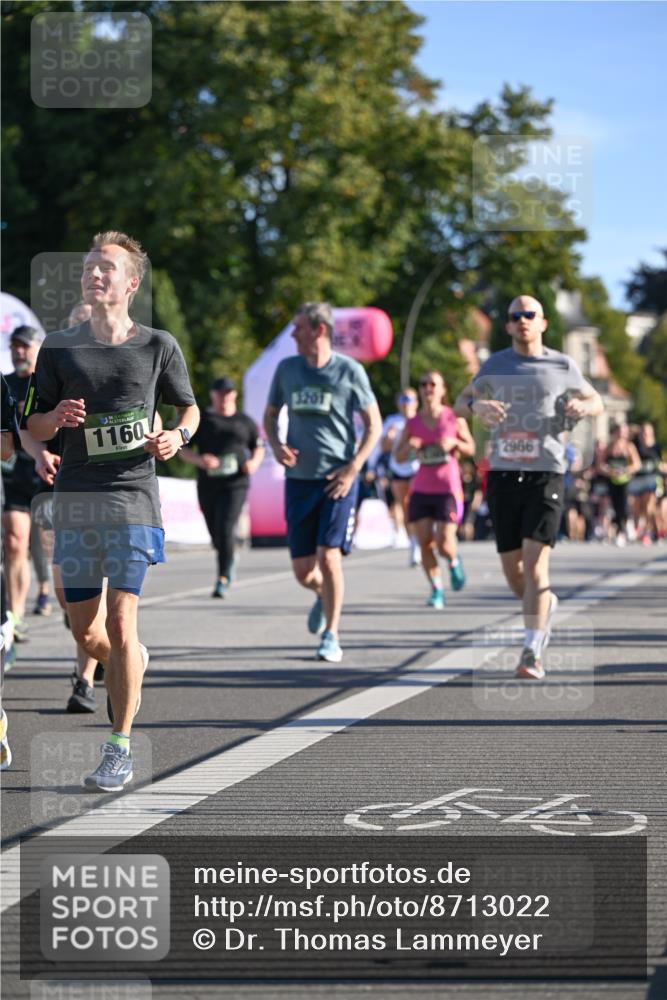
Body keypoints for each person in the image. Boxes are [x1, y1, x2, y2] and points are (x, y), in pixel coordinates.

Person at [25, 230, 199, 790]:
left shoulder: (157, 346)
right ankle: (131, 659)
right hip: (76, 499)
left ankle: (118, 747)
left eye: (106, 267)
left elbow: (188, 409)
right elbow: (35, 426)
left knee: (122, 620)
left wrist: (176, 438)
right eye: (89, 267)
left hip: (133, 497)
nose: (94, 274)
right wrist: (57, 419)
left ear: (131, 282)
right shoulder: (59, 347)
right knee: (87, 635)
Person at [455, 294, 603, 680]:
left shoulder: (562, 364)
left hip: (546, 473)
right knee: (513, 571)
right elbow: (460, 401)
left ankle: (531, 650)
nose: (522, 320)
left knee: (537, 564)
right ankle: (543, 606)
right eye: (515, 315)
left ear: (543, 323)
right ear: (507, 326)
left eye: (529, 314)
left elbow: (597, 400)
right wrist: (478, 408)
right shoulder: (496, 364)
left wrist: (584, 408)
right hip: (503, 473)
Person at [263, 301, 381, 663]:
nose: (293, 334)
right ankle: (319, 594)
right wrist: (277, 445)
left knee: (329, 557)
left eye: (299, 328)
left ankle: (331, 634)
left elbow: (373, 425)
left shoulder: (349, 372)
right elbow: (270, 417)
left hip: (337, 480)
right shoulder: (287, 369)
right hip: (299, 480)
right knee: (303, 571)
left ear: (320, 330)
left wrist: (353, 468)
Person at [395, 370, 474, 608]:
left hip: (448, 489)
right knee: (425, 542)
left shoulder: (454, 418)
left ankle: (453, 561)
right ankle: (437, 589)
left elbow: (471, 448)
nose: (428, 388)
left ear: (442, 390)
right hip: (421, 489)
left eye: (433, 384)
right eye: (423, 384)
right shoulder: (413, 423)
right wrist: (409, 445)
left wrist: (455, 443)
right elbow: (397, 457)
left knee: (444, 543)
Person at [180, 376, 264, 597]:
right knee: (216, 533)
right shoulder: (204, 420)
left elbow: (259, 446)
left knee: (227, 528)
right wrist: (200, 460)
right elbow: (181, 448)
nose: (225, 397)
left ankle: (223, 577)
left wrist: (254, 463)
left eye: (229, 393)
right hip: (208, 482)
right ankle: (229, 556)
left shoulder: (245, 421)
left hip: (236, 483)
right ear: (213, 395)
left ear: (234, 395)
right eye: (220, 393)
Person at [2, 326, 55, 640]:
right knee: (14, 541)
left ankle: (49, 589)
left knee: (44, 545)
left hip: (46, 470)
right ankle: (15, 615)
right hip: (12, 472)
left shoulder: (49, 384)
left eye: (24, 346)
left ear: (37, 349)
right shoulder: (4, 384)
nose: (19, 352)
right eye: (14, 347)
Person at [380, 388, 421, 563]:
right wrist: (389, 438)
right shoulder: (392, 421)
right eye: (403, 400)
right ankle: (413, 543)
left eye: (410, 399)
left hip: (417, 469)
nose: (406, 404)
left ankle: (423, 538)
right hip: (398, 469)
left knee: (418, 505)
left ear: (416, 402)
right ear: (398, 403)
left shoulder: (420, 420)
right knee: (404, 506)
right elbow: (383, 448)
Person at [597, 424, 640, 546]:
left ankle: (625, 527)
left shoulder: (629, 447)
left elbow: (637, 464)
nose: (621, 434)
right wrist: (610, 471)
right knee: (615, 506)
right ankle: (620, 531)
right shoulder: (609, 447)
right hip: (612, 481)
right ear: (615, 433)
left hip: (625, 481)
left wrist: (626, 470)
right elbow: (599, 465)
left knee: (624, 504)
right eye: (619, 432)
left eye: (623, 432)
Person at [630, 422, 663, 544]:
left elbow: (661, 462)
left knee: (649, 507)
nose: (645, 434)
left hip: (651, 479)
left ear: (652, 433)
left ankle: (648, 532)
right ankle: (638, 529)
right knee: (637, 508)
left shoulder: (656, 447)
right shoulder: (635, 445)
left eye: (647, 432)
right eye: (643, 432)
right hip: (637, 480)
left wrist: (661, 467)